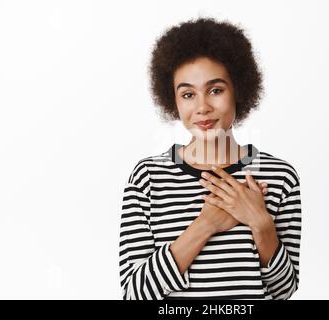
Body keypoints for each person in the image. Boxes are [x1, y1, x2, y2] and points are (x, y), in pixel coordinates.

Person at [119, 17, 301, 300]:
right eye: (188, 94)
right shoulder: (148, 178)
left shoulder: (279, 176)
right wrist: (206, 224)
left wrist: (260, 223)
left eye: (216, 90)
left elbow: (283, 290)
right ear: (174, 101)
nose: (202, 107)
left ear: (238, 89)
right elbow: (134, 294)